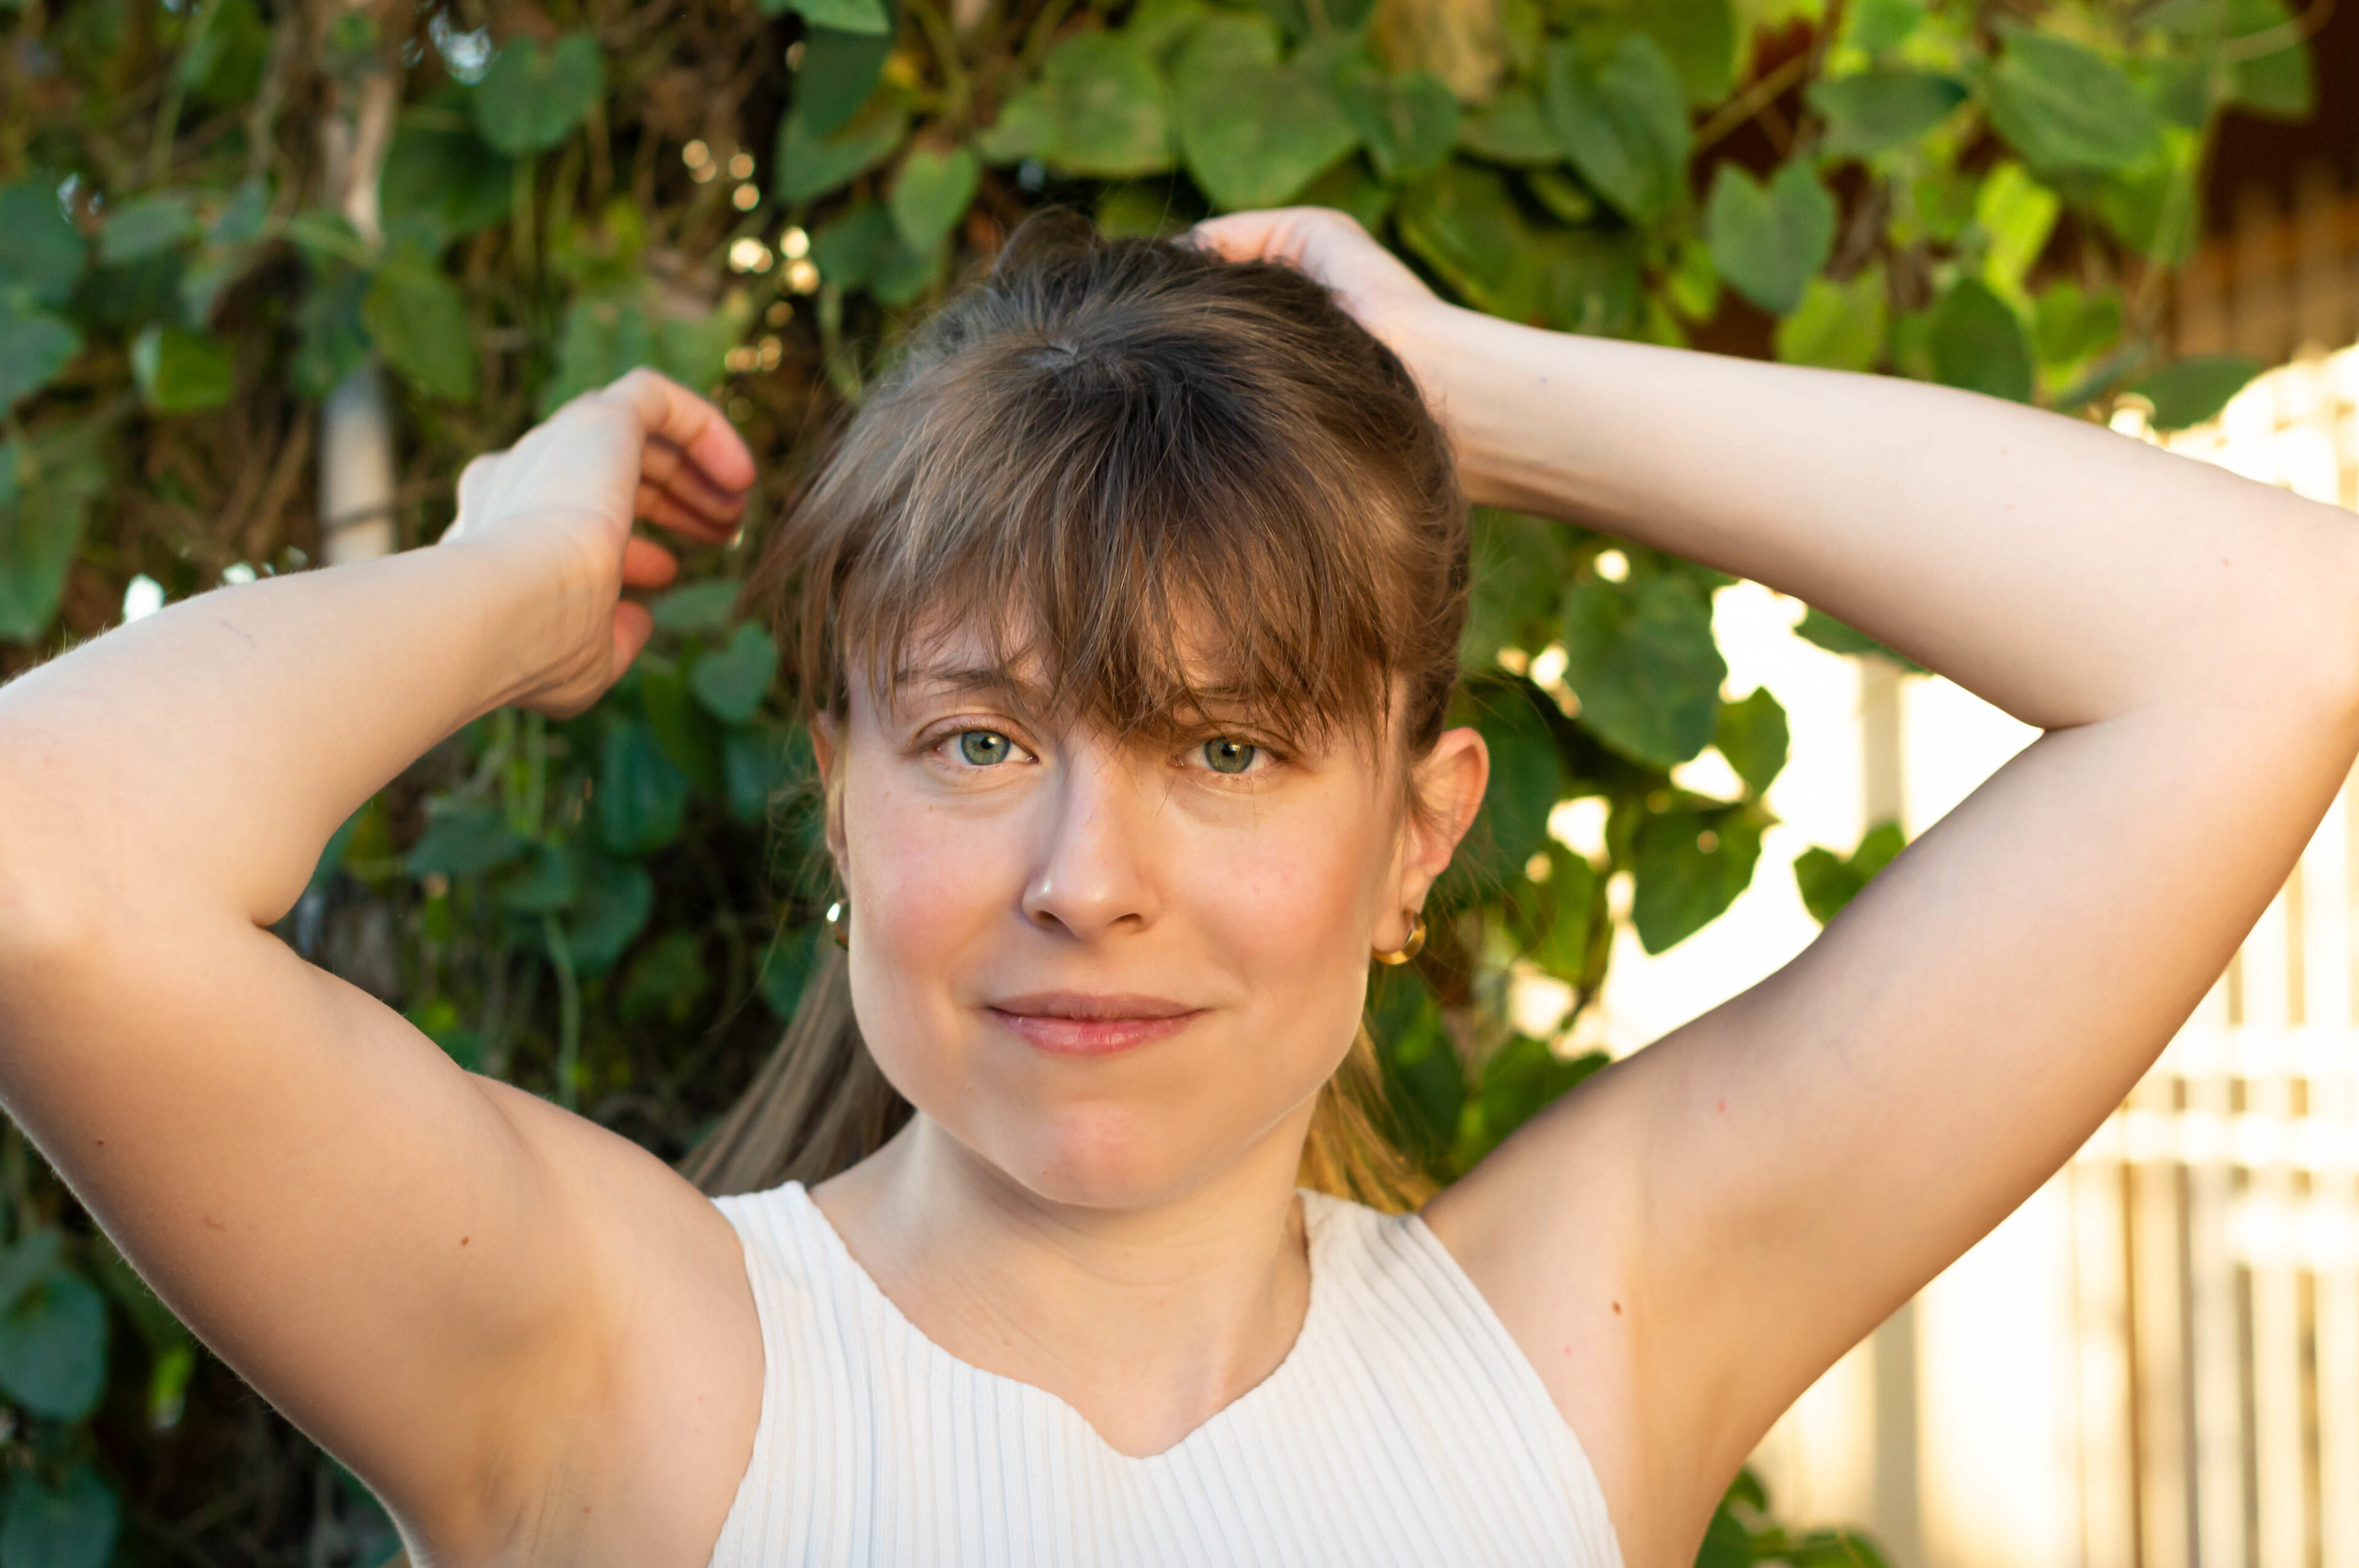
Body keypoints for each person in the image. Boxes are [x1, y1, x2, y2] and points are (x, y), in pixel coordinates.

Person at [1, 204, 2354, 1568]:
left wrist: (1466, 392)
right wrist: (511, 574)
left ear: (1418, 834)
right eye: (981, 740)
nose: (1084, 880)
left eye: (1227, 747)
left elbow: (2273, 637)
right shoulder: (611, 1357)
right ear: (841, 788)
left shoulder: (1582, 1341)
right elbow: (45, 868)